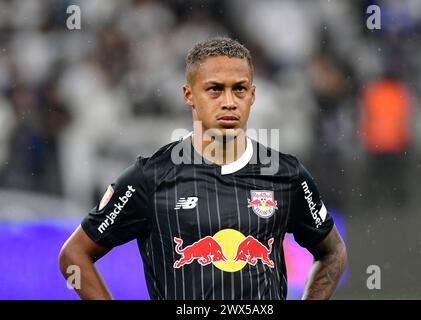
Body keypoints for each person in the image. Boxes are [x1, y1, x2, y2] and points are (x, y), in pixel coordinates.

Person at [58, 37, 347, 300]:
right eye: (215, 90)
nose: (229, 102)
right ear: (189, 95)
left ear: (253, 95)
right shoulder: (151, 177)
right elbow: (74, 254)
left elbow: (332, 251)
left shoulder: (287, 174)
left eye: (239, 89)